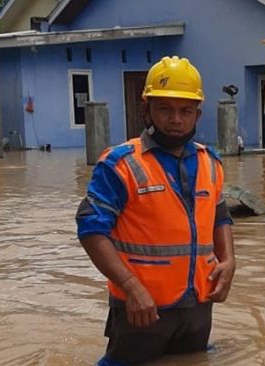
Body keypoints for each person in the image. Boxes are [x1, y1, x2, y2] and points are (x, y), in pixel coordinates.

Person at [76, 56, 235, 366]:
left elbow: (220, 215)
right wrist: (131, 286)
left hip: (198, 307)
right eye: (165, 109)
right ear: (146, 109)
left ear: (197, 115)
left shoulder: (210, 163)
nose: (175, 119)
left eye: (185, 111)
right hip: (142, 308)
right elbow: (91, 229)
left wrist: (229, 261)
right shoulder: (120, 164)